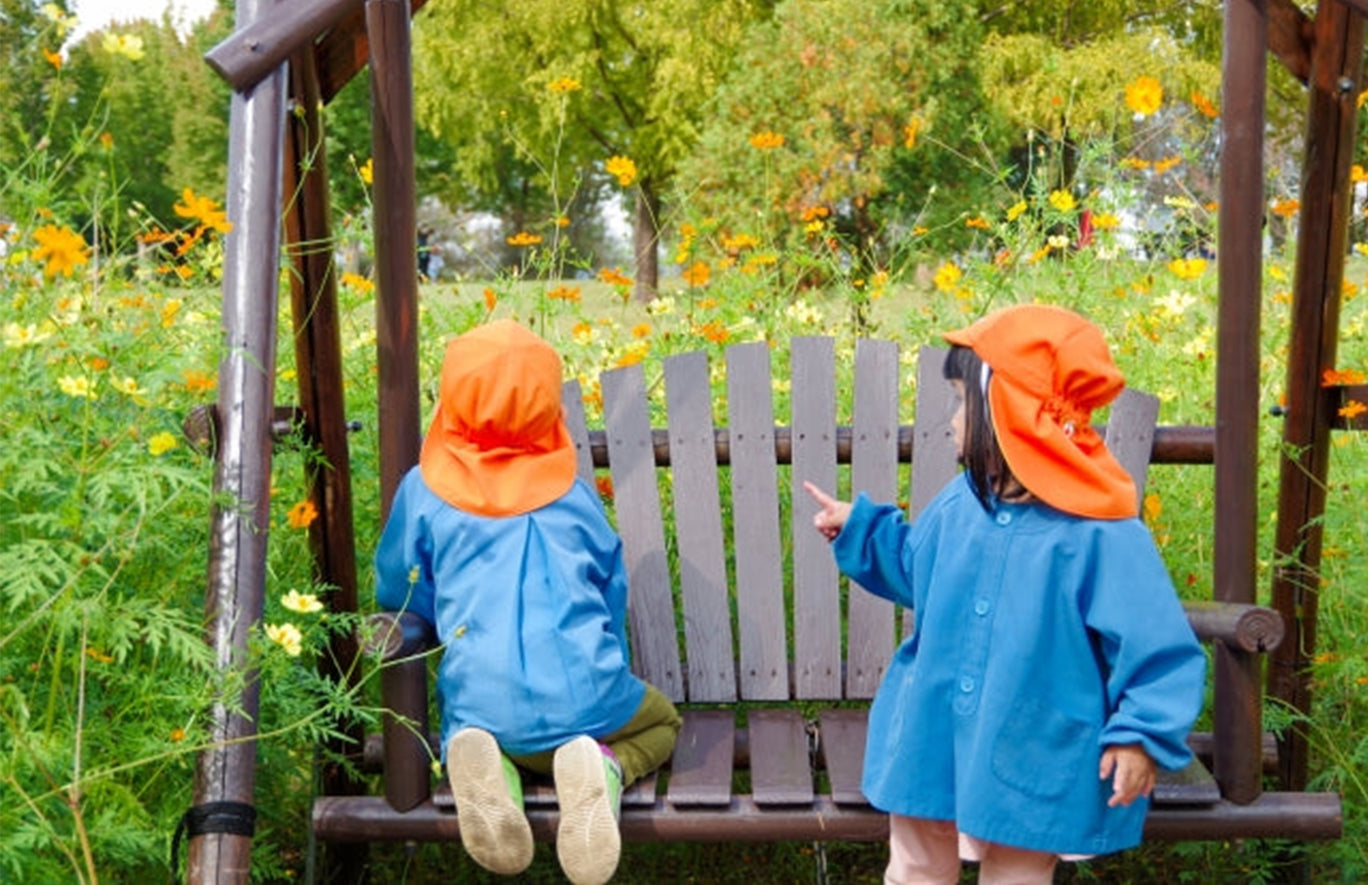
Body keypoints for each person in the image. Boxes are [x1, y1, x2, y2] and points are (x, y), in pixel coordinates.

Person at [803, 304, 1205, 884]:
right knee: (915, 862)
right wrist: (861, 530)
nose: (951, 419)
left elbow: (1157, 648)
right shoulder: (961, 505)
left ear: (1012, 413)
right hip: (932, 728)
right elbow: (920, 570)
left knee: (1018, 869)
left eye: (963, 402)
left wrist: (1141, 736)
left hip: (1037, 743)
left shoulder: (1099, 533)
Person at [375, 319, 681, 885]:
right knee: (662, 723)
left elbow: (400, 592)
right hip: (589, 698)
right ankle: (603, 767)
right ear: (549, 405)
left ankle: (492, 769)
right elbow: (609, 591)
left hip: (481, 703)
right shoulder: (573, 498)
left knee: (476, 724)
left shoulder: (423, 491)